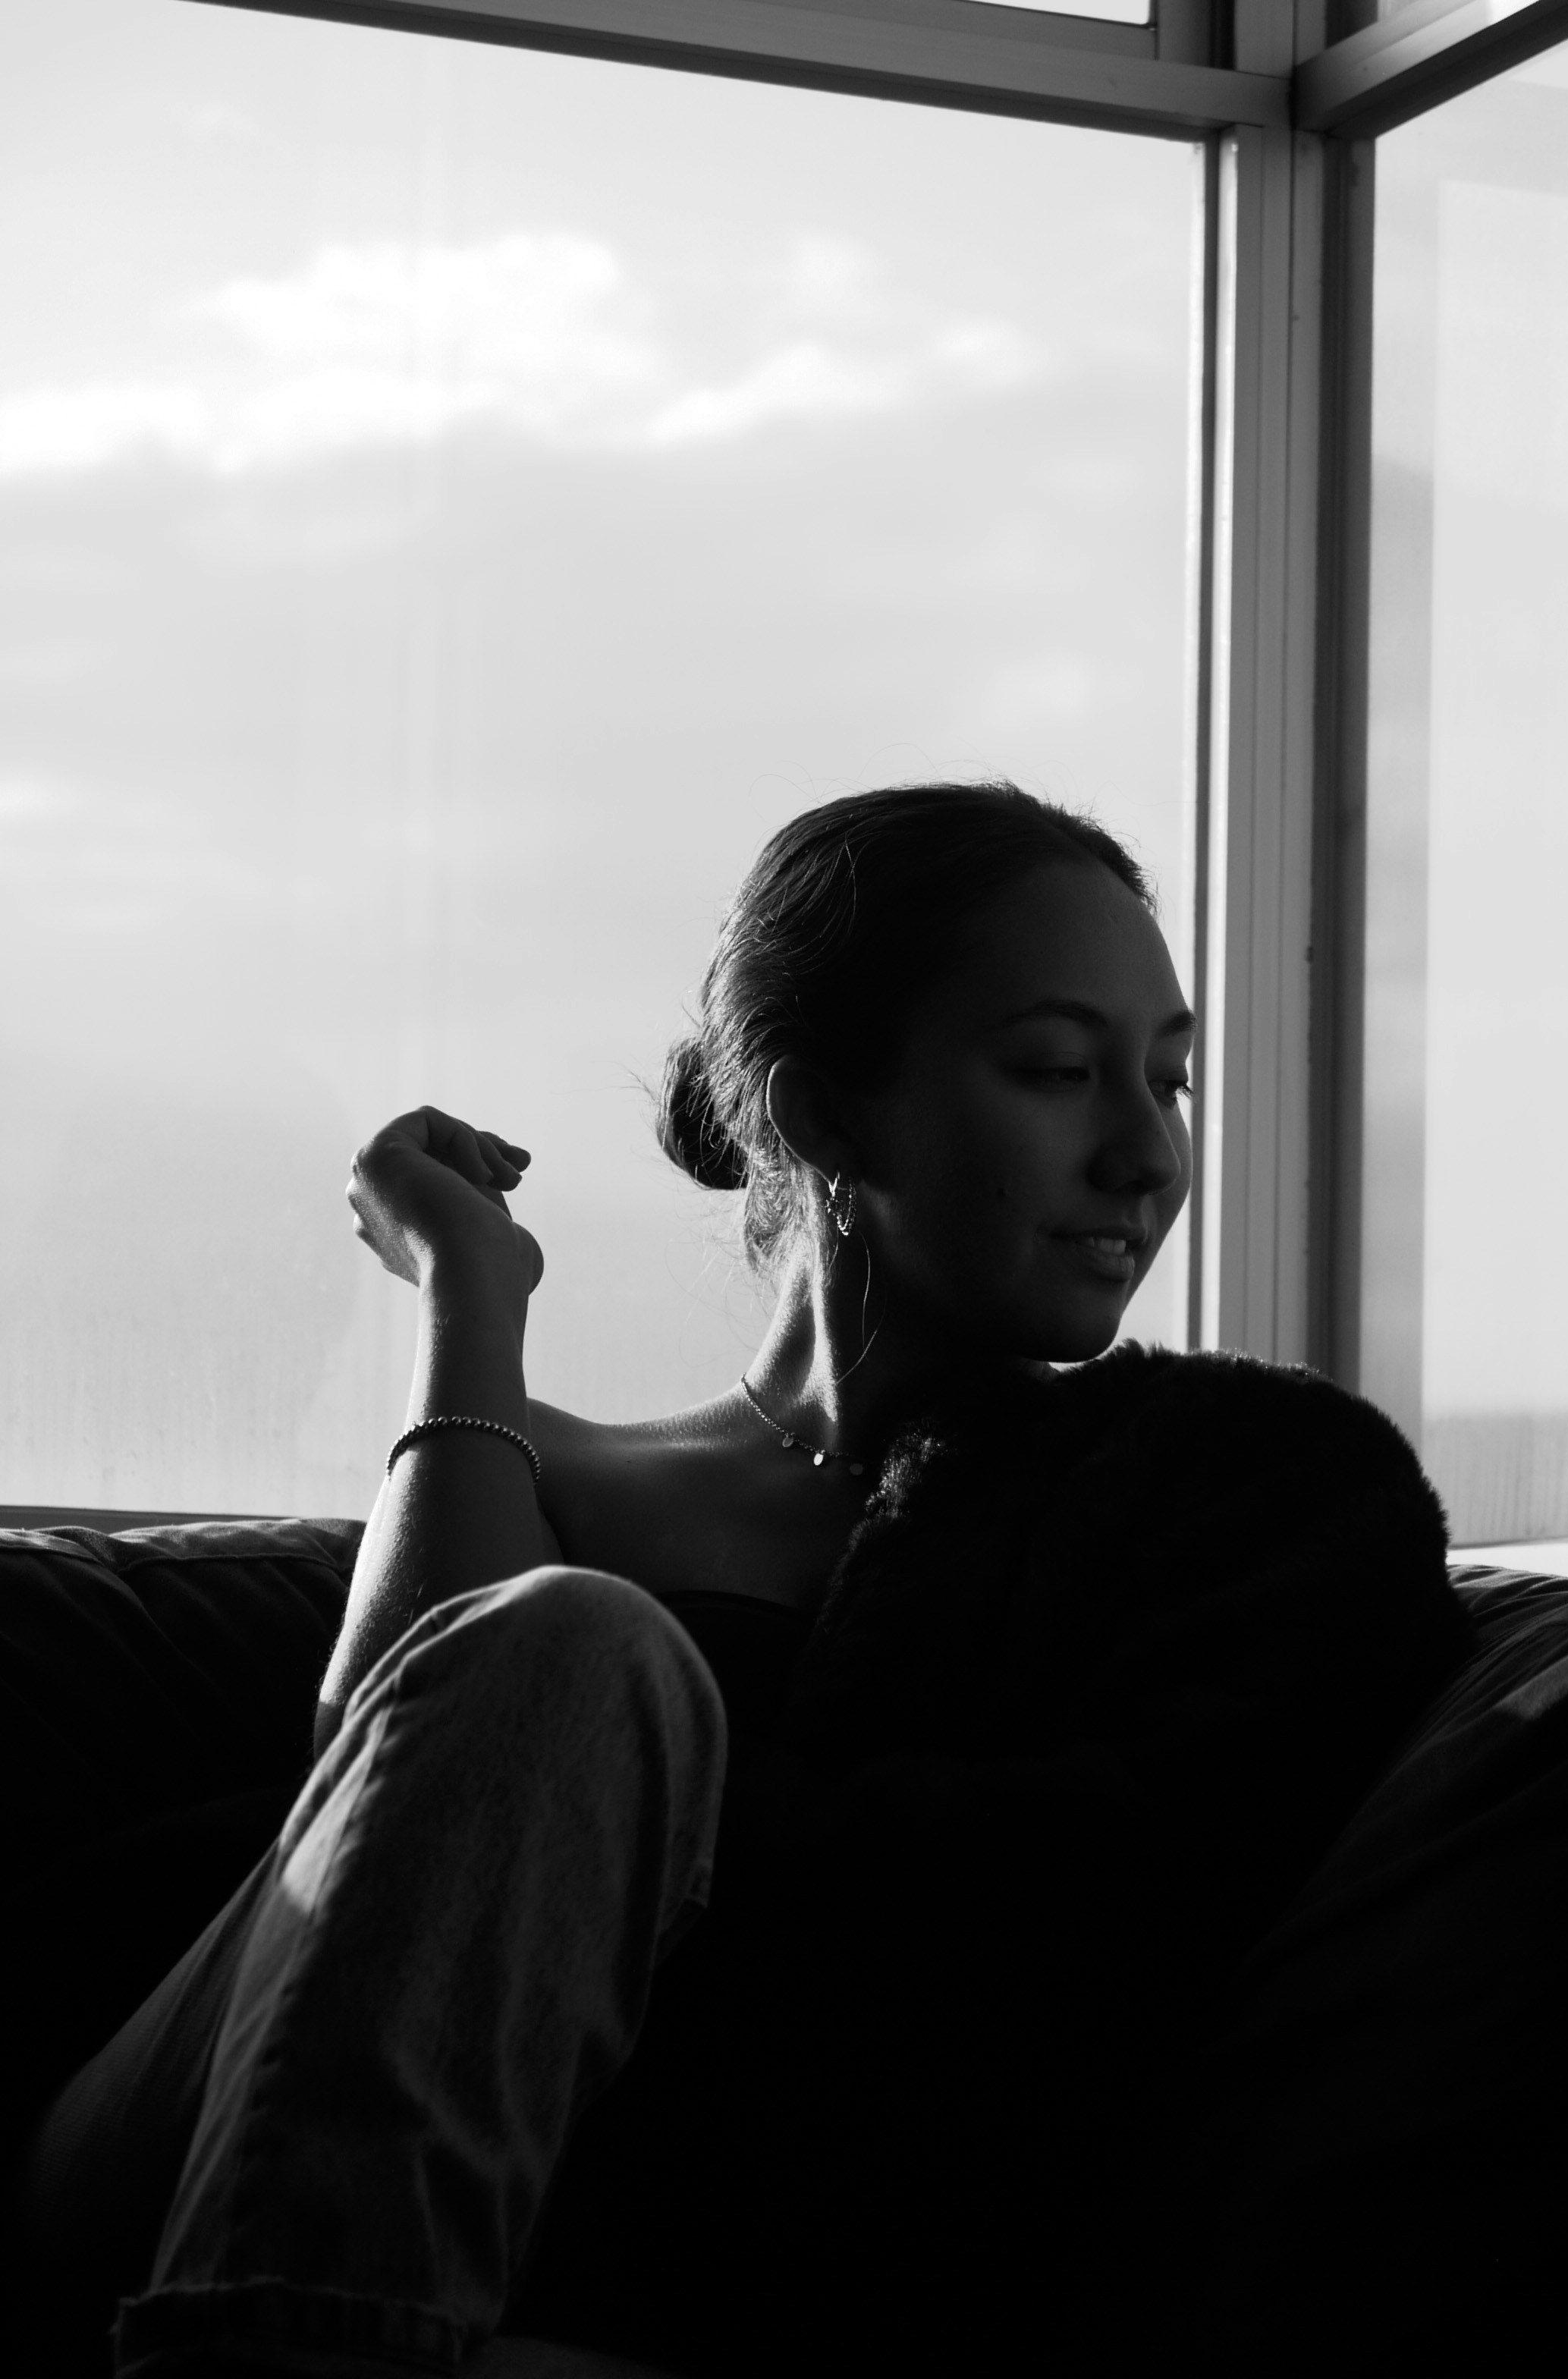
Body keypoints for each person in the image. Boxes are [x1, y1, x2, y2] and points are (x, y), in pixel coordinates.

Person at [15, 782, 1469, 2379]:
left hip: (641, 2282)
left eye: (1172, 1079)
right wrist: (470, 1303)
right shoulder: (538, 1471)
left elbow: (1090, 1921)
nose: (1147, 1153)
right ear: (825, 1109)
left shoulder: (1236, 1489)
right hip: (180, 2151)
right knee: (571, 1644)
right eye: (1059, 1069)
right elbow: (376, 1842)